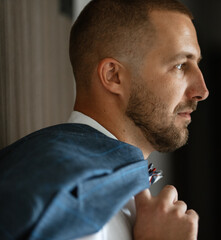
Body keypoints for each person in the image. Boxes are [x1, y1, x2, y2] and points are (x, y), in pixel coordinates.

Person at [0, 0, 209, 239]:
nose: (202, 91)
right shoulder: (69, 199)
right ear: (114, 76)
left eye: (197, 65)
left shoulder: (105, 183)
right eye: (181, 65)